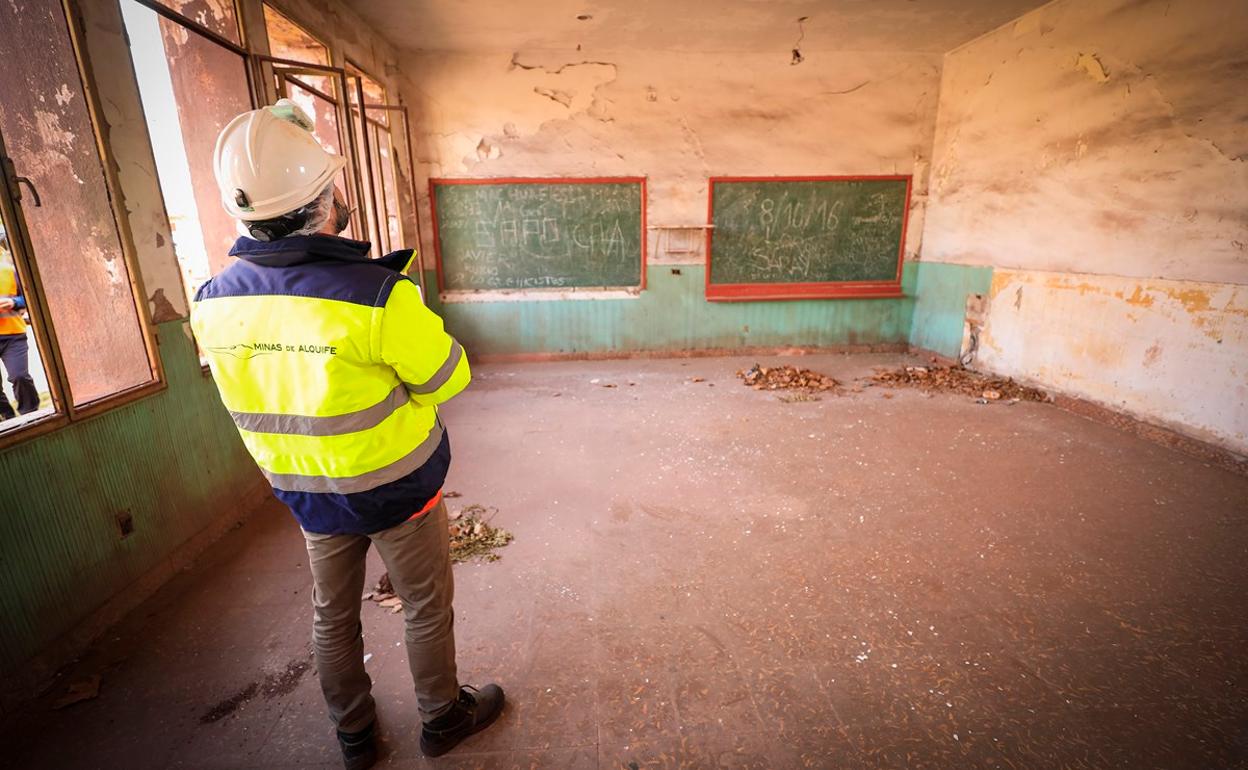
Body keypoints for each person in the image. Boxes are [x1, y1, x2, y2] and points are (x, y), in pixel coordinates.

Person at [190, 100, 502, 769]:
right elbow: (448, 379)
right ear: (328, 198)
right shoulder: (376, 294)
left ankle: (355, 736)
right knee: (423, 605)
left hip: (307, 492)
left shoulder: (212, 301)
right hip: (396, 487)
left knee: (333, 616)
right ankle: (442, 717)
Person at [0, 227, 40, 420]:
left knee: (20, 377)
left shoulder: (10, 264)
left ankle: (30, 417)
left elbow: (30, 295)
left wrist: (14, 302)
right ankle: (8, 419)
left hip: (13, 335)